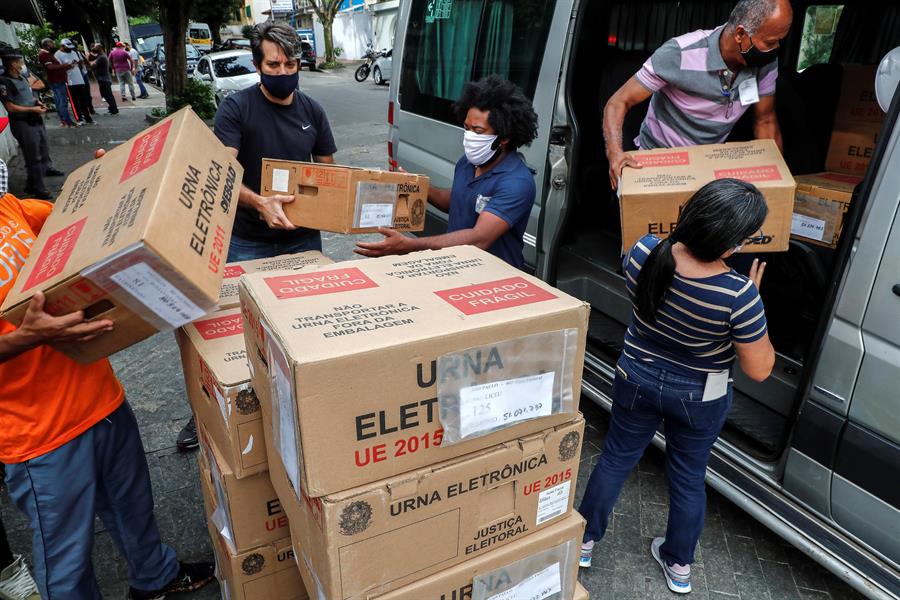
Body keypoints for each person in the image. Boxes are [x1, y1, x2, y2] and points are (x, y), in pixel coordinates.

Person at [0, 156, 215, 599]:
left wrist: (116, 179)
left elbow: (76, 217)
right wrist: (25, 337)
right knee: (66, 561)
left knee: (133, 507)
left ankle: (155, 578)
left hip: (99, 395)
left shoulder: (9, 208)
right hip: (39, 435)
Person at [577, 178, 776, 594]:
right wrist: (752, 300)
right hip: (699, 396)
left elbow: (649, 298)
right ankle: (679, 565)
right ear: (732, 244)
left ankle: (583, 543)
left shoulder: (645, 249)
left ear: (689, 213)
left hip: (637, 374)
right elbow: (759, 369)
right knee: (687, 478)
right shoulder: (739, 294)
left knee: (615, 459)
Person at [185, 21, 337, 452]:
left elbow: (330, 174)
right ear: (258, 65)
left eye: (291, 63)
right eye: (274, 63)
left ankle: (310, 403)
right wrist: (260, 202)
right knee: (238, 331)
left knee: (309, 322)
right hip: (248, 238)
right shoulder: (237, 110)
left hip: (302, 239)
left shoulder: (312, 111)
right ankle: (217, 408)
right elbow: (223, 173)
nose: (284, 70)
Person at [603, 0, 793, 189]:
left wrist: (777, 184)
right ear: (740, 34)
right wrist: (615, 153)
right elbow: (618, 101)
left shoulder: (764, 64)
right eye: (770, 42)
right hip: (656, 163)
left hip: (706, 166)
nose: (775, 49)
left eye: (779, 41)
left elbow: (765, 121)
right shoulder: (680, 53)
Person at [355, 75, 538, 270]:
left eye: (478, 131)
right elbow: (456, 200)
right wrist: (417, 186)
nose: (468, 137)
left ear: (504, 137)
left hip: (494, 278)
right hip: (455, 266)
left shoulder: (517, 182)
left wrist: (410, 246)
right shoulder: (468, 162)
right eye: (466, 128)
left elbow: (479, 239)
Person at [0, 47, 65, 199]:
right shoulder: (5, 82)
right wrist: (32, 109)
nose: (21, 63)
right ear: (11, 64)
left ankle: (31, 183)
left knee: (42, 150)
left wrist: (37, 102)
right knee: (33, 155)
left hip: (34, 118)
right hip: (23, 122)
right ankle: (38, 188)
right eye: (18, 61)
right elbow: (10, 107)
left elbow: (30, 92)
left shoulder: (21, 77)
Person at [37, 38, 76, 127]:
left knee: (59, 101)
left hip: (56, 80)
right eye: (52, 43)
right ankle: (67, 121)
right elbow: (50, 67)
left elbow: (54, 66)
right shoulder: (44, 54)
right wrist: (64, 65)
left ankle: (64, 121)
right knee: (62, 101)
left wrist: (66, 67)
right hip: (56, 81)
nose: (53, 44)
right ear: (47, 44)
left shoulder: (46, 54)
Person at [54, 38, 94, 124]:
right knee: (74, 101)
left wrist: (79, 63)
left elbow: (80, 63)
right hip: (69, 80)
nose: (69, 49)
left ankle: (88, 117)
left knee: (83, 99)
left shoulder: (73, 52)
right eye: (67, 47)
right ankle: (78, 118)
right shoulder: (57, 55)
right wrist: (68, 66)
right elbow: (58, 68)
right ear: (62, 46)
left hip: (79, 78)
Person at [88, 43, 118, 115]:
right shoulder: (100, 56)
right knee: (106, 95)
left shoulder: (101, 57)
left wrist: (87, 62)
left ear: (100, 48)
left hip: (104, 79)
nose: (93, 49)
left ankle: (114, 110)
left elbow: (92, 66)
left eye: (95, 48)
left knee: (108, 95)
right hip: (103, 79)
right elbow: (92, 61)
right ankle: (112, 109)